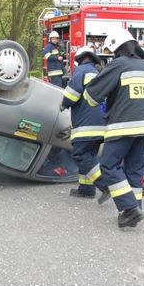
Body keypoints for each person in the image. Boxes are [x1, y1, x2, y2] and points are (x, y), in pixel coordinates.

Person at [83, 29, 144, 228]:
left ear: (117, 48)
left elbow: (91, 96)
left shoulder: (118, 65)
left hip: (122, 126)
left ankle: (129, 208)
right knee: (134, 169)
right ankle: (134, 211)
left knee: (108, 165)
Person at [60, 46, 109, 203]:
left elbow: (71, 95)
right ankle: (86, 189)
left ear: (80, 59)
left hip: (87, 124)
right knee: (89, 155)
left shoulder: (81, 71)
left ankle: (104, 184)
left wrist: (63, 104)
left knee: (80, 154)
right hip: (100, 124)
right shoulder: (97, 73)